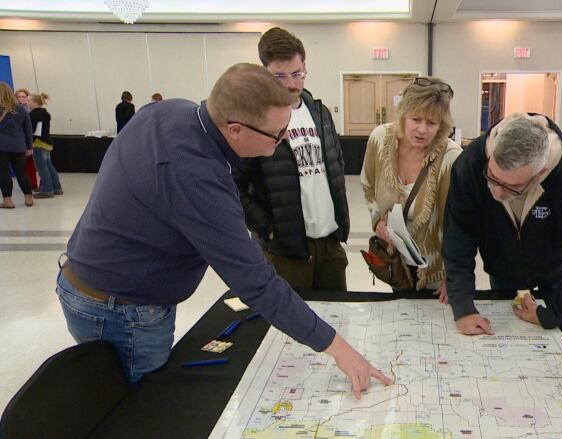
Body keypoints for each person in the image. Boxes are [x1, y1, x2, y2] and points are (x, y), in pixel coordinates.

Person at [57, 63, 391, 396]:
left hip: (96, 276)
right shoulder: (198, 178)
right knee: (140, 406)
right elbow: (256, 283)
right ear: (235, 130)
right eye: (277, 134)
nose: (284, 140)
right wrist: (340, 349)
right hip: (120, 309)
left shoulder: (171, 110)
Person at [444, 113, 562, 331]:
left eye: (511, 187)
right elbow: (458, 236)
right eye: (492, 177)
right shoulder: (470, 164)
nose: (496, 192)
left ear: (539, 173)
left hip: (556, 274)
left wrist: (553, 313)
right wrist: (463, 307)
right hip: (502, 269)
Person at [233, 27, 350, 292]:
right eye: (279, 76)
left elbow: (336, 166)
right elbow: (232, 184)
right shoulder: (253, 120)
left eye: (297, 74)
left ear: (305, 67)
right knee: (287, 330)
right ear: (264, 73)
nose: (290, 83)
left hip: (331, 246)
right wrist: (268, 230)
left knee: (337, 322)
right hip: (286, 252)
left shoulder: (319, 113)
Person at [361, 76, 461, 299]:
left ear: (442, 125)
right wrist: (377, 220)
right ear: (403, 114)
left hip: (435, 272)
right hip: (394, 260)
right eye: (415, 119)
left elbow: (462, 223)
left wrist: (455, 275)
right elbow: (367, 184)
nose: (422, 130)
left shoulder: (451, 158)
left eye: (432, 123)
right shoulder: (380, 139)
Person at [0, 82, 33, 208]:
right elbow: (28, 130)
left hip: (1, 147)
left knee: (3, 173)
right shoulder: (21, 109)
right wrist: (29, 146)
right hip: (19, 146)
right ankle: (28, 198)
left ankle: (8, 201)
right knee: (22, 172)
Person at [29, 93, 63, 199]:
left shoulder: (33, 114)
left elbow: (32, 130)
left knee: (41, 167)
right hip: (47, 142)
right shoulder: (45, 113)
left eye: (29, 100)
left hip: (38, 142)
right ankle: (57, 187)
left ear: (35, 102)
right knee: (48, 165)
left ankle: (47, 190)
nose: (28, 102)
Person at [14, 87, 38, 192]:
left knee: (32, 164)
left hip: (31, 138)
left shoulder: (31, 109)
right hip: (20, 140)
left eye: (23, 96)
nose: (21, 99)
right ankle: (27, 185)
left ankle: (33, 184)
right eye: (19, 97)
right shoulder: (15, 109)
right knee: (23, 165)